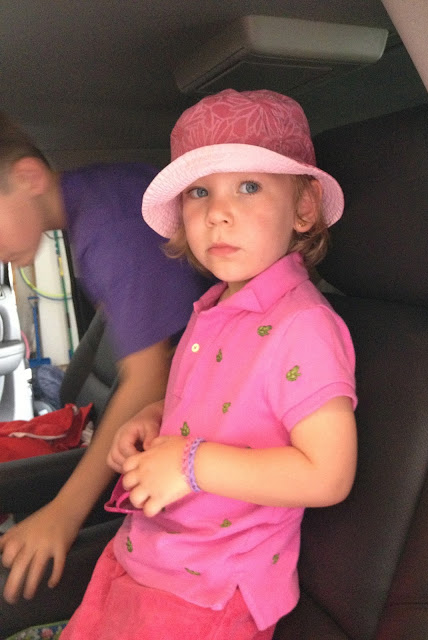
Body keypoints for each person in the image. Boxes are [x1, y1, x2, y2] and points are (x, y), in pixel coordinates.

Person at [61, 89, 358, 640]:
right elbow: (210, 407)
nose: (217, 212)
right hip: (145, 556)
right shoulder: (213, 308)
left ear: (303, 208)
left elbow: (328, 474)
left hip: (211, 594)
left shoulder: (304, 326)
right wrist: (154, 419)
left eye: (248, 186)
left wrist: (189, 464)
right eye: (200, 191)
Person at [0, 113, 210, 604]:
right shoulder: (95, 201)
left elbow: (148, 377)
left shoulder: (109, 228)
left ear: (28, 178)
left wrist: (63, 514)